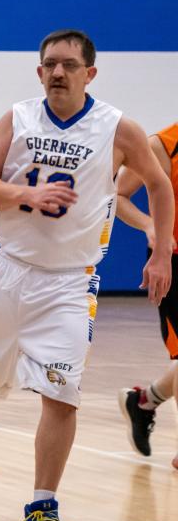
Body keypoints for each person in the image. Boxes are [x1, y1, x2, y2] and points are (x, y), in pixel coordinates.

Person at [0, 29, 174, 521]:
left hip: (70, 285)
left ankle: (42, 505)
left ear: (89, 74)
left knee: (61, 397)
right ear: (38, 71)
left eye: (69, 65)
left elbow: (160, 184)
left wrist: (161, 250)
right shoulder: (16, 118)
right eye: (50, 64)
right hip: (8, 271)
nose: (58, 72)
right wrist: (27, 192)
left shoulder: (117, 128)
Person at [114, 122, 178, 471]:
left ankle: (143, 402)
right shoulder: (162, 145)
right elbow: (118, 194)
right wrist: (150, 225)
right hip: (173, 261)